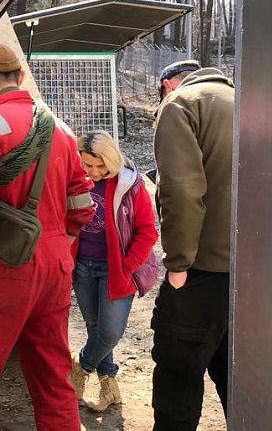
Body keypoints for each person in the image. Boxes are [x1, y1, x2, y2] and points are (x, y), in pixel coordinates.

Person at [0, 43, 96, 431]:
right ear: (21, 76)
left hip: (3, 267)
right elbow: (82, 207)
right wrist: (60, 245)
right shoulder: (61, 128)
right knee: (53, 379)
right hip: (55, 266)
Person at [150, 60, 235, 431]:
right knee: (241, 383)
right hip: (254, 275)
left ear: (168, 84)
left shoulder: (182, 104)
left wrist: (179, 265)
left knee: (177, 384)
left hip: (200, 274)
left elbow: (182, 190)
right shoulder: (251, 100)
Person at [70, 130, 159, 412]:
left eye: (101, 166)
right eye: (88, 166)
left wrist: (127, 265)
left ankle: (80, 367)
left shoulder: (129, 184)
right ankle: (109, 389)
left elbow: (147, 231)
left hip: (117, 269)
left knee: (109, 332)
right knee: (94, 327)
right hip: (83, 266)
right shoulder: (72, 181)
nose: (95, 172)